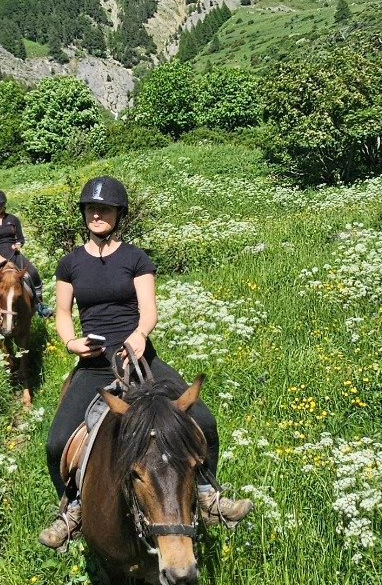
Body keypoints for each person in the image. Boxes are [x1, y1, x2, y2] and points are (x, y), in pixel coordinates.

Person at [39, 175, 252, 549]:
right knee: (57, 442)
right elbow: (61, 312)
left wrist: (139, 336)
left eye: (104, 209)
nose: (97, 215)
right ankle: (72, 509)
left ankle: (207, 495)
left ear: (119, 214)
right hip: (95, 365)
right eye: (91, 208)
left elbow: (149, 310)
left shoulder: (136, 258)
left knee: (203, 420)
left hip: (140, 358)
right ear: (84, 214)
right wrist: (72, 342)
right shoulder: (70, 263)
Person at [0, 189, 53, 325]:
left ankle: (40, 305)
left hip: (14, 254)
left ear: (5, 204)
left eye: (0, 204)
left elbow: (21, 238)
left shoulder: (13, 219)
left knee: (33, 273)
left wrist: (18, 244)